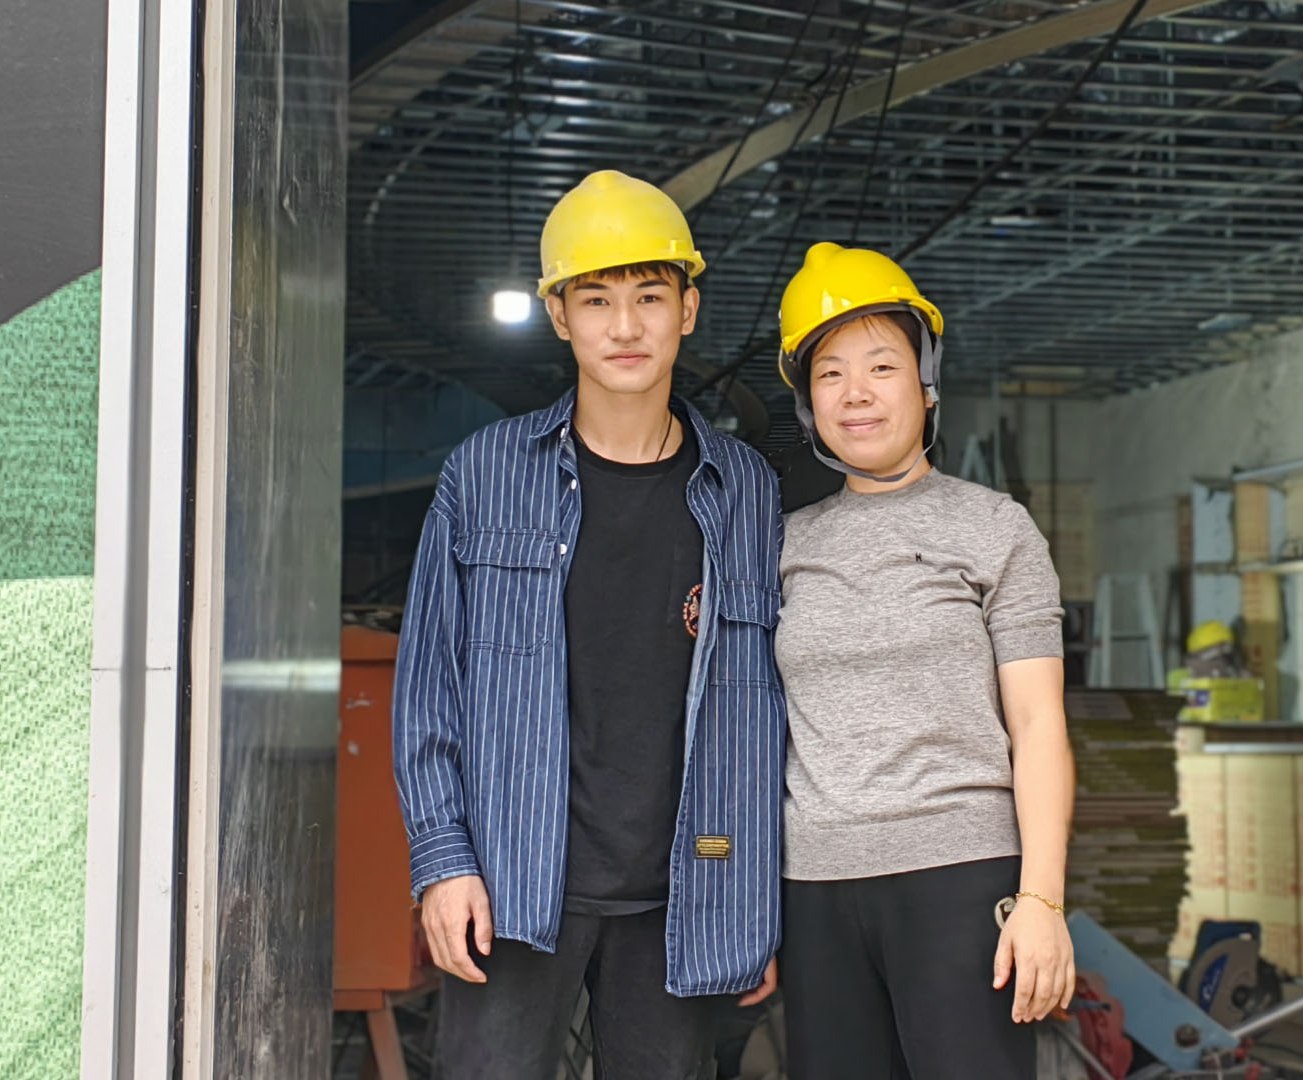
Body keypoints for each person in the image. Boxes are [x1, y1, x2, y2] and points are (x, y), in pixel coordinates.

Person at [391, 170, 785, 1079]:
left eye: (650, 296)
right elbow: (427, 689)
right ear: (560, 317)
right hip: (512, 884)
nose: (625, 325)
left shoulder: (748, 493)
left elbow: (769, 710)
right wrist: (443, 862)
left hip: (686, 899)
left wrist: (754, 904)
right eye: (597, 299)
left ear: (688, 309)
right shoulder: (485, 474)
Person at [770, 242, 1078, 1079]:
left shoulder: (994, 528)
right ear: (808, 403)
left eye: (881, 365)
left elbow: (1038, 724)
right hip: (814, 890)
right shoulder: (780, 545)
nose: (856, 393)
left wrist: (1042, 899)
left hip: (960, 880)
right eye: (830, 374)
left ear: (926, 381)